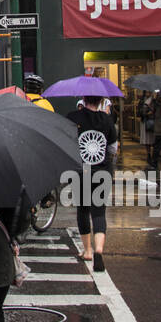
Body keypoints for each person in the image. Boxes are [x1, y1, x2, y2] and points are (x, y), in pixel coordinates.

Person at [66, 94, 117, 270]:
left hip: (80, 170)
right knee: (99, 212)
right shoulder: (107, 119)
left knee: (83, 209)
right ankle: (99, 251)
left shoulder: (73, 117)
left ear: (84, 99)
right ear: (100, 101)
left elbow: (67, 142)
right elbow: (112, 148)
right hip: (102, 170)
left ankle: (87, 250)